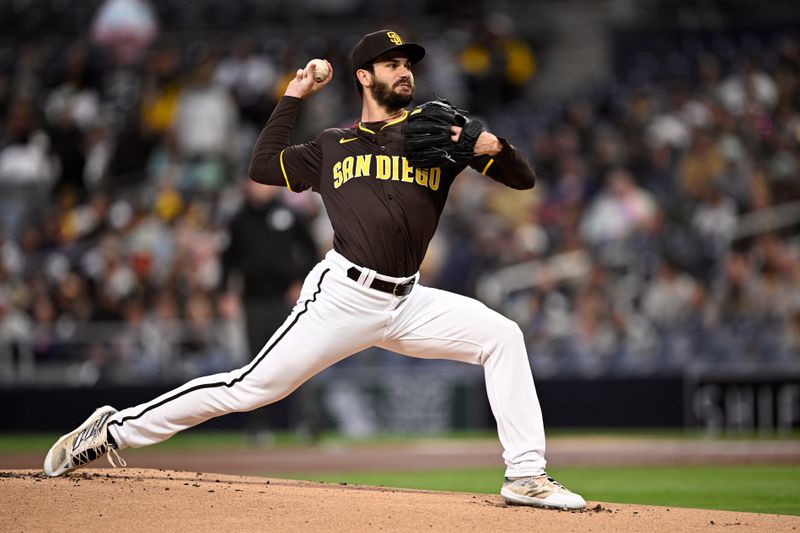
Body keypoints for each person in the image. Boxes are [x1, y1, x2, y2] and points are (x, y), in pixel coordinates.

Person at [43, 30, 586, 511]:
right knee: (249, 388)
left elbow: (523, 179)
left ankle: (526, 476)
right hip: (343, 296)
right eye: (392, 63)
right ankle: (111, 428)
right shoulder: (333, 144)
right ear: (364, 76)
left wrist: (490, 145)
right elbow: (261, 165)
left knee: (503, 336)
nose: (405, 71)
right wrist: (294, 94)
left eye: (409, 63)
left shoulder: (433, 134)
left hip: (410, 301)